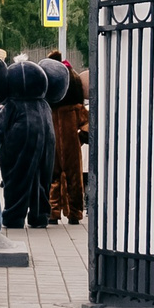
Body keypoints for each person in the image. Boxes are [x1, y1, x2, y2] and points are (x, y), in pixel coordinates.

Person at [0, 52, 68, 230]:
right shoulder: (43, 105)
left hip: (17, 142)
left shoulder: (12, 104)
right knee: (42, 176)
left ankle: (14, 216)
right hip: (46, 141)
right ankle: (40, 215)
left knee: (17, 177)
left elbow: (0, 125)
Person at [46, 51, 88, 226]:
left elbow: (87, 127)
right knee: (74, 180)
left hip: (52, 146)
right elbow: (87, 126)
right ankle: (72, 212)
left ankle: (54, 212)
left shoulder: (51, 110)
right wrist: (80, 138)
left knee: (53, 179)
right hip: (71, 147)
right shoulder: (76, 109)